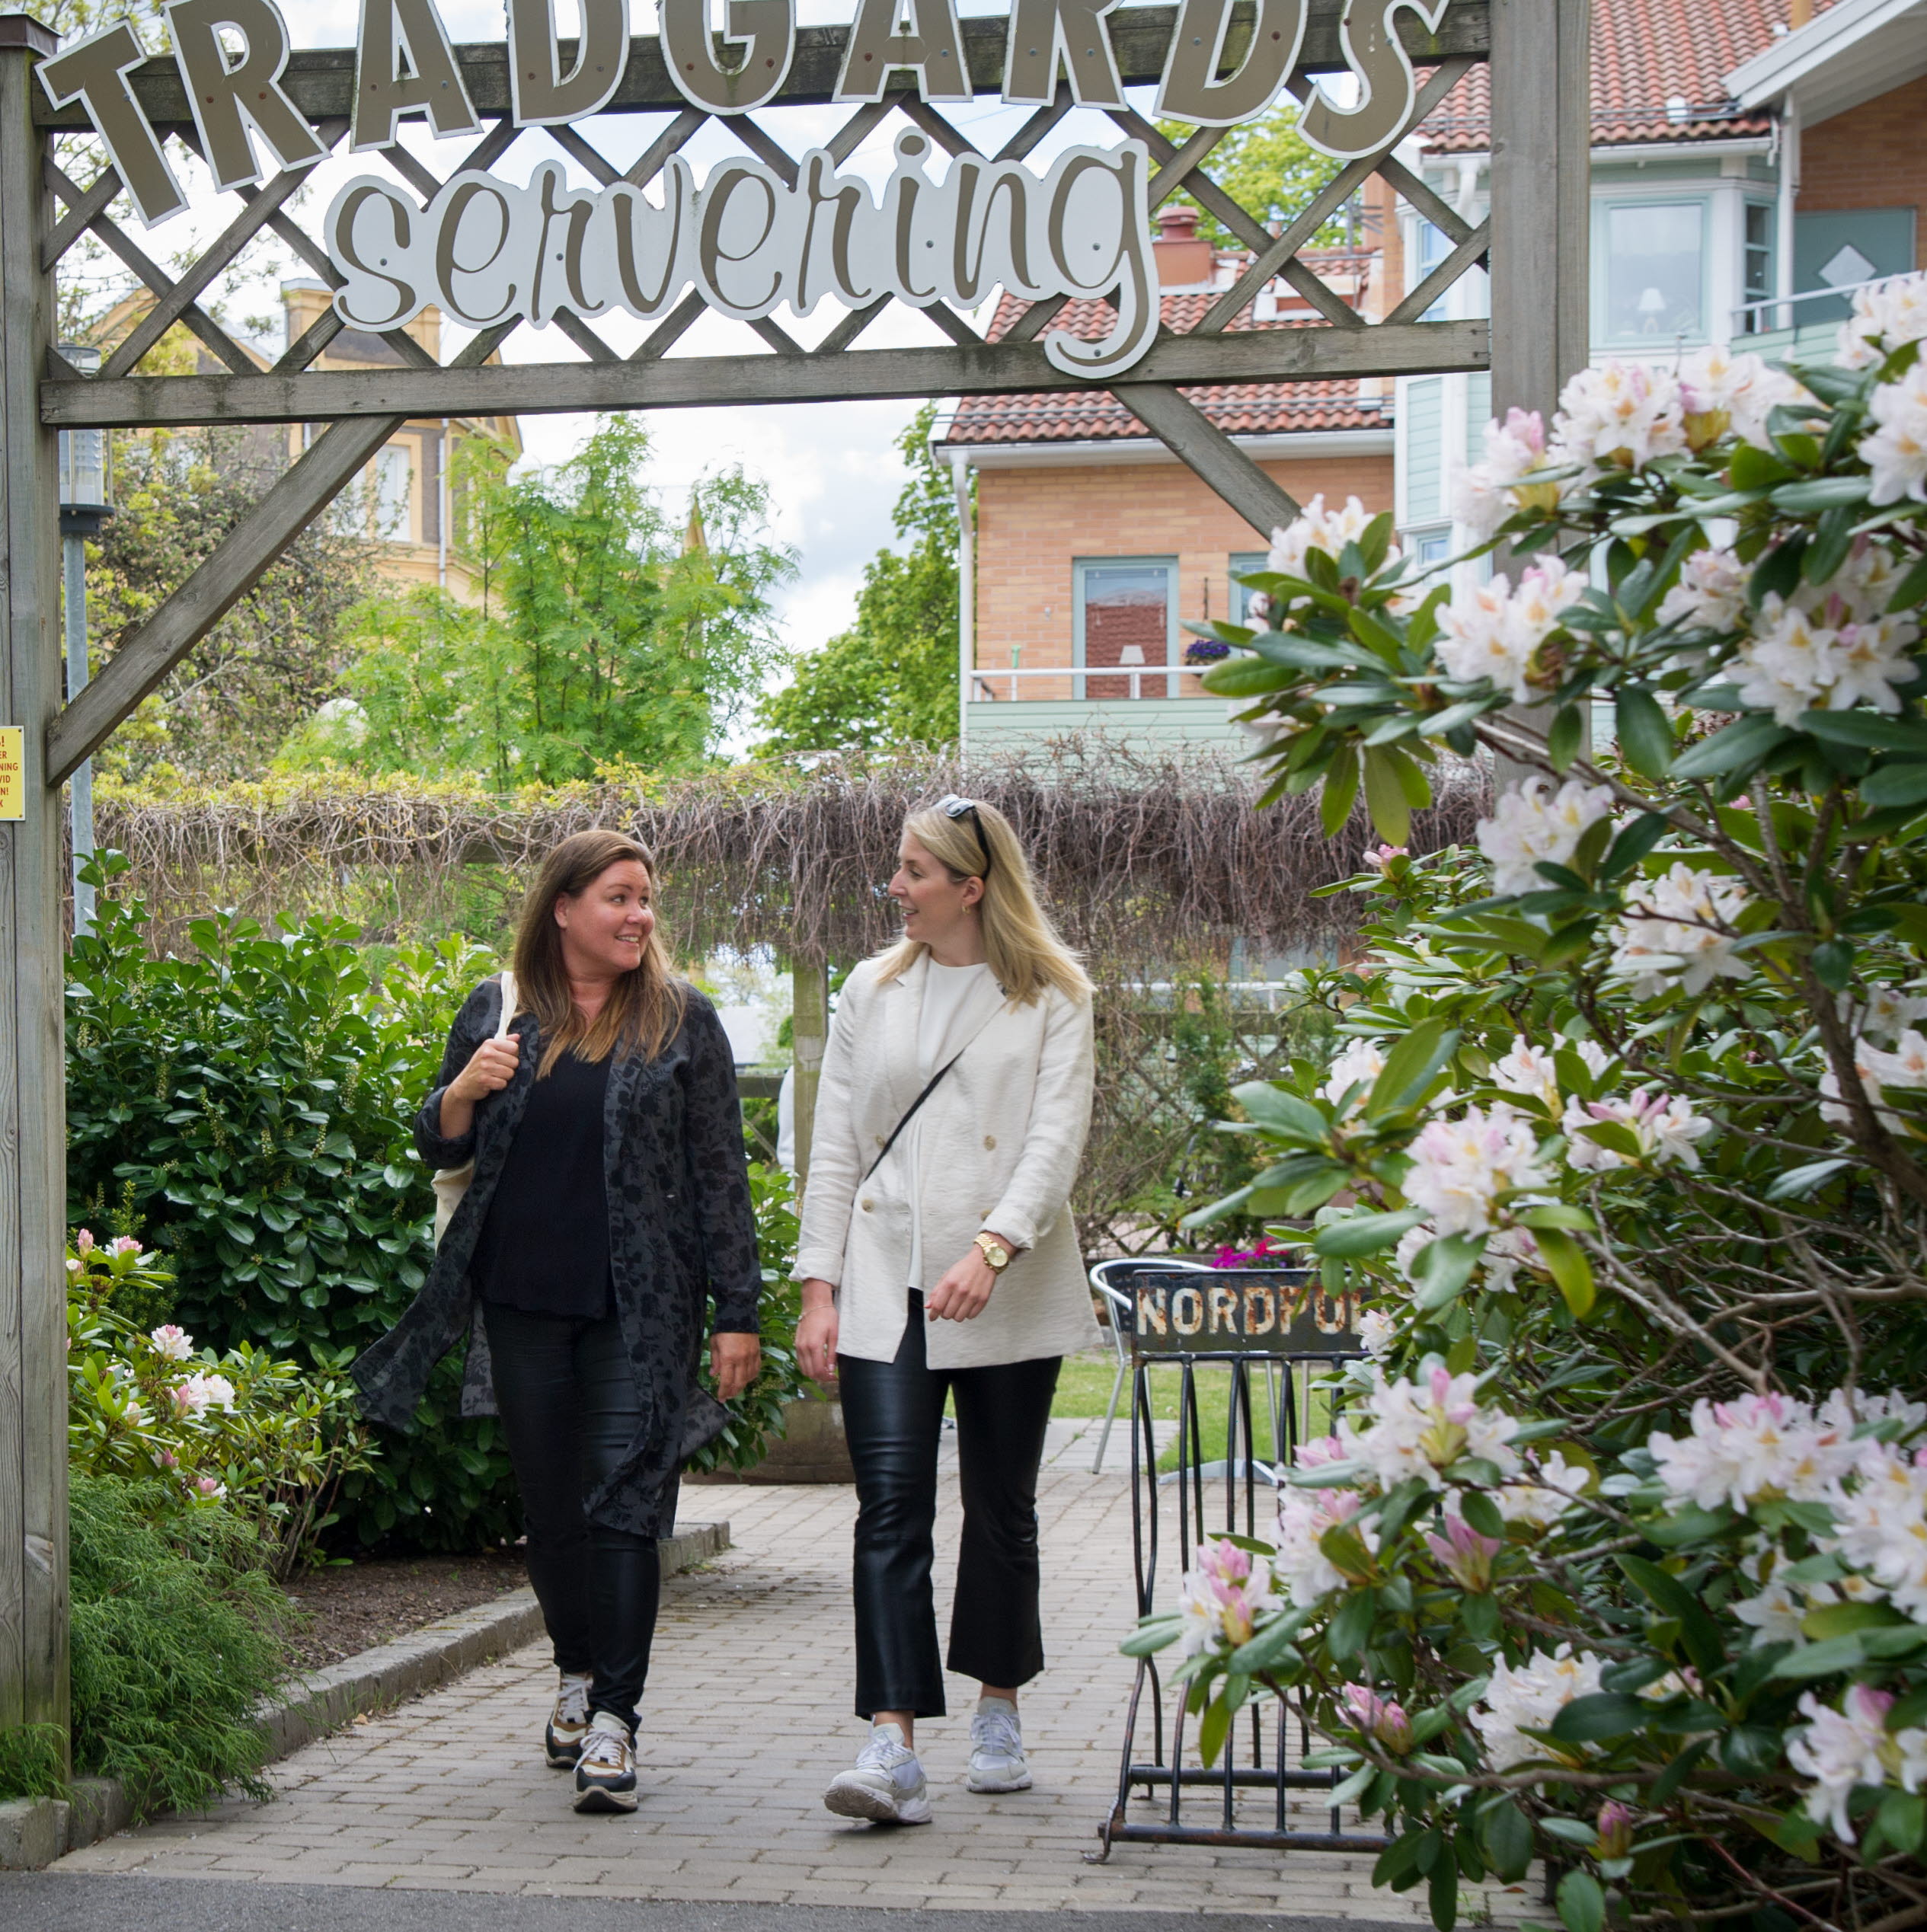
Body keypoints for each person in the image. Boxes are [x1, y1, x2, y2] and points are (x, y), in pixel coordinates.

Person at [353, 830, 762, 1815]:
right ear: (564, 908)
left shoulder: (680, 1021)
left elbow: (721, 1175)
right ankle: (575, 1671)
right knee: (552, 1511)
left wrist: (737, 1312)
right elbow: (436, 1143)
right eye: (618, 897)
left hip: (640, 1307)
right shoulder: (499, 1012)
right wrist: (462, 1089)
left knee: (626, 1504)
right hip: (523, 1300)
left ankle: (616, 1721)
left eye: (647, 899)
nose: (639, 916)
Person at [794, 795, 1097, 1825]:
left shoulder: (1052, 994)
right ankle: (891, 1742)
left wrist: (994, 1244)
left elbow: (1054, 1142)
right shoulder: (869, 990)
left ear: (972, 884)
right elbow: (834, 1146)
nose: (896, 886)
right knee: (889, 1508)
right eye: (898, 867)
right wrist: (817, 1286)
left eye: (916, 870)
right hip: (886, 1280)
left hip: (1002, 1282)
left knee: (1001, 1509)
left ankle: (998, 1707)